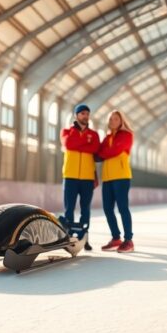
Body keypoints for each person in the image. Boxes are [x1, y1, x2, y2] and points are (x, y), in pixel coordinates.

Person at [60, 103, 100, 250]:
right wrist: (85, 143)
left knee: (85, 209)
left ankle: (85, 237)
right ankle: (68, 236)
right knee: (69, 209)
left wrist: (80, 143)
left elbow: (95, 148)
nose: (85, 116)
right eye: (82, 113)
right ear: (76, 115)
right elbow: (69, 144)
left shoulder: (94, 135)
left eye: (87, 114)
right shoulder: (66, 131)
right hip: (70, 176)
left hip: (87, 177)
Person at [98, 110, 134, 253]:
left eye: (116, 119)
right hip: (107, 178)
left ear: (121, 121)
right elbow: (99, 151)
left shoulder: (127, 135)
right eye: (111, 119)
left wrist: (102, 153)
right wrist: (102, 152)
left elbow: (114, 151)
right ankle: (116, 238)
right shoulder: (107, 137)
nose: (113, 121)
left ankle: (129, 240)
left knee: (122, 208)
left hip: (121, 176)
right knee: (107, 209)